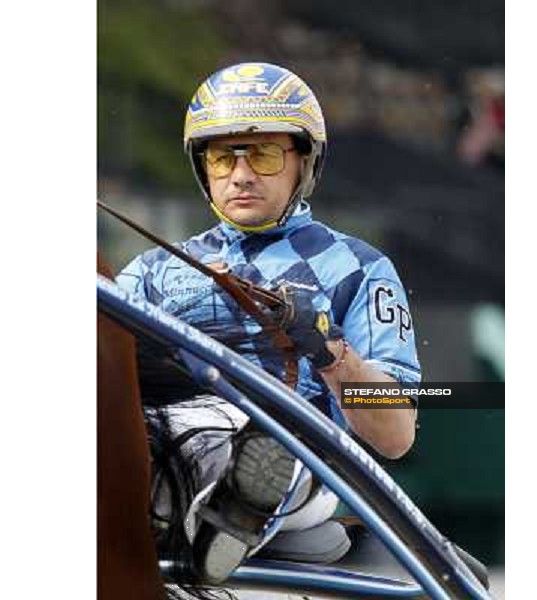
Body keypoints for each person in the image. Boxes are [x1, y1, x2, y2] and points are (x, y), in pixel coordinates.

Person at [116, 62, 421, 584]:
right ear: (202, 166)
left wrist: (328, 350)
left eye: (262, 153)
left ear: (304, 160)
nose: (239, 175)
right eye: (220, 157)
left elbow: (395, 434)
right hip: (161, 448)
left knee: (264, 442)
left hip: (305, 459)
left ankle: (240, 505)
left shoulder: (358, 267)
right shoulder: (150, 272)